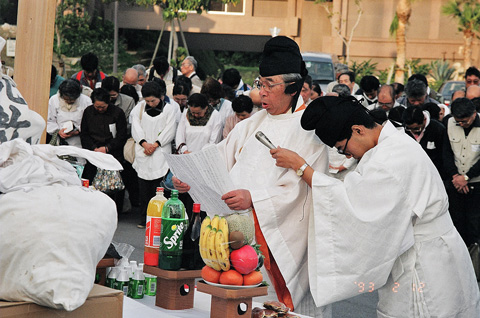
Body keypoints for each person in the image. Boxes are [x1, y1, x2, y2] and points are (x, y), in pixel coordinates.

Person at [270, 95, 480, 318]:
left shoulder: (391, 157)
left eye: (343, 148)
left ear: (358, 130)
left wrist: (301, 167)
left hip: (426, 264)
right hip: (435, 253)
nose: (347, 155)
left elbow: (354, 205)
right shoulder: (392, 144)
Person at [174, 36, 330, 317]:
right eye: (260, 83)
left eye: (270, 85)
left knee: (272, 307)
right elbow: (219, 157)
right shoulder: (255, 122)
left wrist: (254, 198)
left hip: (275, 240)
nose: (262, 92)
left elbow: (304, 192)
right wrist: (190, 177)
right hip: (235, 236)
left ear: (293, 87)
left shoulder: (311, 130)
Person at [130, 81, 177, 228]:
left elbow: (170, 129)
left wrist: (156, 144)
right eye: (147, 101)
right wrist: (144, 143)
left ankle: (159, 218)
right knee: (144, 189)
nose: (150, 104)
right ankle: (144, 218)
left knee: (159, 188)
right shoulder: (139, 108)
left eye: (153, 101)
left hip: (160, 152)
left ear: (161, 97)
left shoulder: (169, 110)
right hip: (143, 150)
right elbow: (136, 127)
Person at [80, 88, 128, 212]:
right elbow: (84, 134)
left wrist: (107, 148)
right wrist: (93, 148)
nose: (100, 109)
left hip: (112, 151)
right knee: (91, 183)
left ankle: (114, 211)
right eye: (97, 107)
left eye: (103, 107)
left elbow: (121, 135)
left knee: (113, 185)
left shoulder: (118, 113)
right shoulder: (88, 112)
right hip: (93, 151)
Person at [443, 97, 480, 247]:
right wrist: (456, 176)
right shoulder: (448, 123)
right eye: (458, 121)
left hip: (476, 184)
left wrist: (467, 176)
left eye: (464, 121)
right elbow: (446, 152)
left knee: (474, 224)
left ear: (474, 114)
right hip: (455, 182)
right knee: (456, 223)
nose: (461, 124)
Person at [403, 106, 446, 179]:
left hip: (434, 175)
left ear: (424, 120)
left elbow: (443, 155)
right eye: (409, 128)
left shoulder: (438, 129)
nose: (413, 131)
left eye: (416, 128)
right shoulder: (404, 131)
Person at [47, 79, 91, 147]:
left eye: (72, 99)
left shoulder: (86, 101)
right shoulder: (54, 100)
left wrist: (77, 131)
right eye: (66, 99)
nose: (69, 101)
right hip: (60, 139)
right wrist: (58, 131)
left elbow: (89, 121)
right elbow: (49, 120)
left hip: (80, 140)